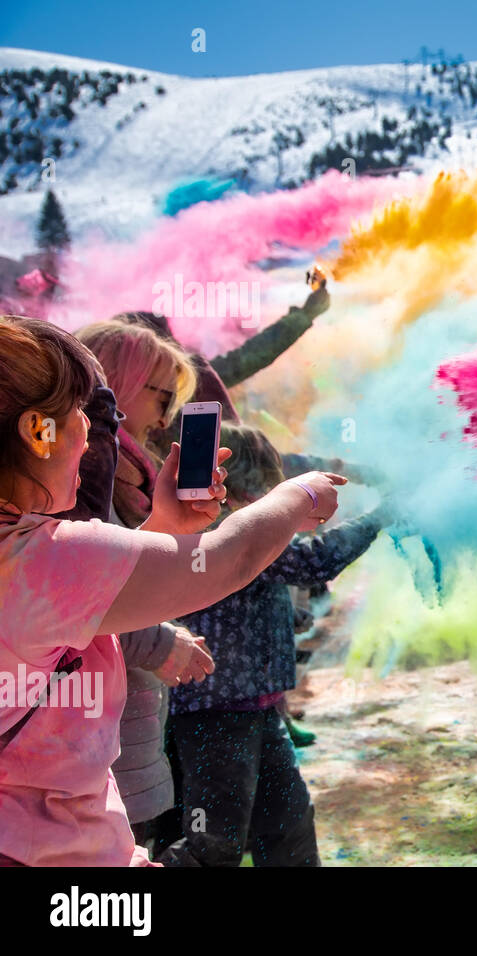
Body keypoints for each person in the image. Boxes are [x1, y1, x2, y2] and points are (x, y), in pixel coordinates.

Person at [0, 314, 346, 866]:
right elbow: (226, 561)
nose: (93, 436)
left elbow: (87, 599)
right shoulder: (34, 556)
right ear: (35, 434)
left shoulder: (26, 554)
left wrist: (161, 528)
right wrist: (298, 498)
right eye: (81, 417)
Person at [160, 423, 388, 867]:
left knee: (287, 829)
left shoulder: (222, 526)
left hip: (252, 708)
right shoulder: (235, 528)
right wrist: (381, 516)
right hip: (219, 715)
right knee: (214, 845)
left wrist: (288, 616)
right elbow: (314, 559)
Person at [75, 319, 213, 853]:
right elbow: (76, 594)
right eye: (163, 396)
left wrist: (165, 528)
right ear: (121, 383)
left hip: (121, 735)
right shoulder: (80, 473)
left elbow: (111, 571)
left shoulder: (120, 470)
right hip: (92, 759)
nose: (166, 417)